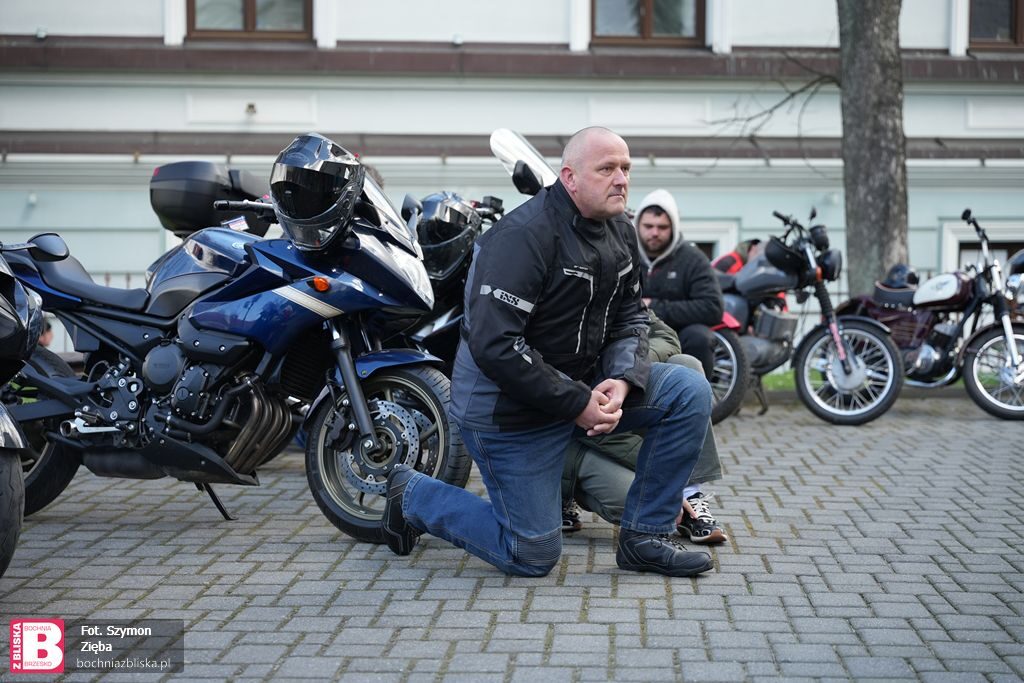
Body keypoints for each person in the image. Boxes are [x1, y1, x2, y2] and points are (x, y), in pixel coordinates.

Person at [381, 126, 715, 578]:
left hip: (580, 391)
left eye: (626, 168)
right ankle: (412, 493)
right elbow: (496, 346)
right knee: (531, 554)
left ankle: (644, 538)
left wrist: (621, 379)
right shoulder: (521, 237)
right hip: (507, 412)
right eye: (607, 169)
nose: (621, 179)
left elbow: (630, 317)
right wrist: (577, 403)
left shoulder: (621, 230)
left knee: (687, 389)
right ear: (570, 177)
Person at [561, 312, 727, 544]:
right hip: (566, 425)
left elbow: (666, 336)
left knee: (687, 369)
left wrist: (630, 369)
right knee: (653, 505)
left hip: (615, 393)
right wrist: (664, 478)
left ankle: (691, 492)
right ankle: (560, 494)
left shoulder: (617, 291)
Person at [634, 190, 723, 378]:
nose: (654, 233)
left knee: (700, 337)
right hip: (631, 329)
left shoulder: (694, 259)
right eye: (648, 226)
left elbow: (712, 307)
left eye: (662, 227)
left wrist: (655, 306)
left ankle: (698, 391)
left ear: (673, 227)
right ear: (637, 225)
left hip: (681, 333)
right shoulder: (624, 254)